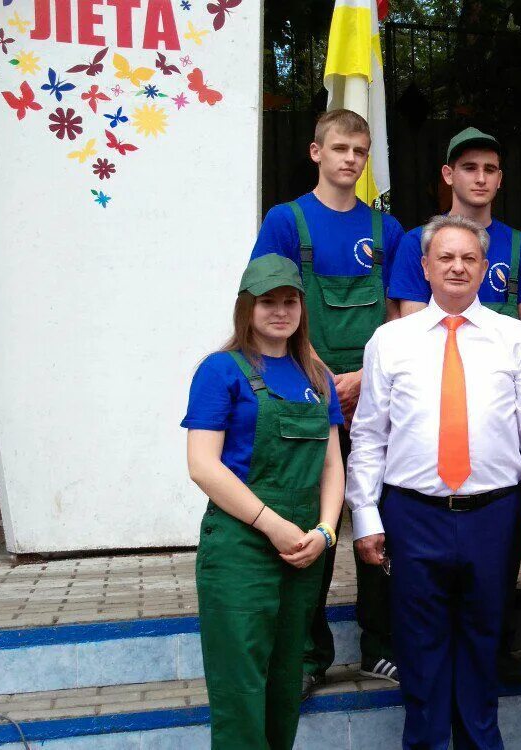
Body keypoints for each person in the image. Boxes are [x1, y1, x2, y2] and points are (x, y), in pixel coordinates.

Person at [345, 214, 521, 748]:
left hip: (494, 514)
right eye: (446, 257)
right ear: (425, 267)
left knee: (484, 641)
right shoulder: (389, 341)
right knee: (419, 648)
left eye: (469, 258)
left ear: (485, 268)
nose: (458, 267)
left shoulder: (516, 339)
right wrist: (366, 517)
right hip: (412, 514)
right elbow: (369, 436)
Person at [249, 109, 406, 694]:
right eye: (339, 148)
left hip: (373, 394)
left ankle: (380, 645)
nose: (350, 159)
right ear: (316, 152)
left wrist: (366, 377)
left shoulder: (387, 230)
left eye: (360, 151)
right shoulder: (285, 221)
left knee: (376, 517)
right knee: (310, 523)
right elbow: (269, 308)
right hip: (307, 393)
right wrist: (316, 375)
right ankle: (308, 654)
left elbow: (399, 317)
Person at [182, 255, 344, 749]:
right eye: (267, 301)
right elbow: (203, 466)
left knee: (283, 683)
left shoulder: (316, 375)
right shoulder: (220, 370)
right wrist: (272, 524)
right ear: (246, 308)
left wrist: (326, 532)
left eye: (289, 301)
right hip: (241, 546)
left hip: (303, 550)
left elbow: (333, 465)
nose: (280, 311)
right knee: (241, 687)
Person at [391, 127, 521, 332]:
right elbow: (413, 329)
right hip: (437, 362)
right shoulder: (416, 241)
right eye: (470, 168)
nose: (481, 179)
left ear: (499, 179)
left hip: (504, 363)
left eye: (489, 170)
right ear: (448, 174)